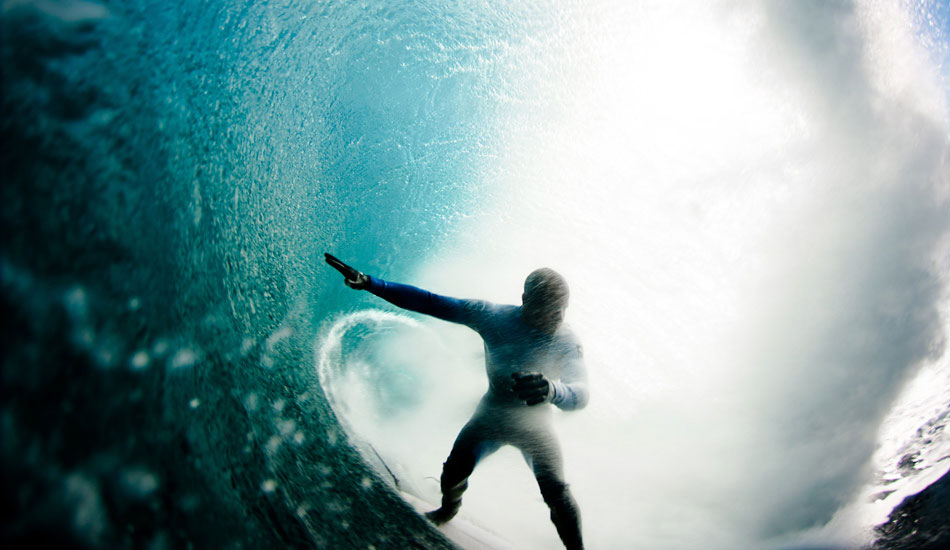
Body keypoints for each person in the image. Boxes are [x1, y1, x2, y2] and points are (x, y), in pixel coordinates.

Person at [325, 253, 588, 550]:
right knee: (452, 473)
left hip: (535, 427)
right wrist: (372, 284)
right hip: (491, 416)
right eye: (549, 310)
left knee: (556, 492)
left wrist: (553, 391)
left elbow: (580, 394)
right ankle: (448, 510)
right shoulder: (494, 317)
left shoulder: (566, 341)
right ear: (525, 299)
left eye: (561, 311)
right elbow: (431, 302)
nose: (556, 318)